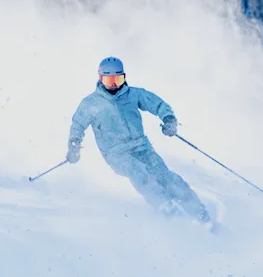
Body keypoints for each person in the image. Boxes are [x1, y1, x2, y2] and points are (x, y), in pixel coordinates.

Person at [66, 56, 210, 222]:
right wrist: (74, 146)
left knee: (166, 177)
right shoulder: (91, 103)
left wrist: (169, 119)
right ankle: (166, 209)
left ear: (124, 77)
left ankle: (201, 215)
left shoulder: (133, 94)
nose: (113, 84)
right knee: (138, 172)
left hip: (142, 147)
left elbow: (157, 104)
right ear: (100, 78)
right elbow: (77, 125)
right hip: (116, 153)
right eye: (109, 79)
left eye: (118, 79)